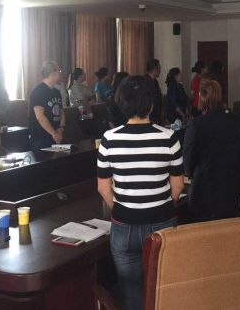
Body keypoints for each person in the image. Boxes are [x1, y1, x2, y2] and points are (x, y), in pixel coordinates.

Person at [97, 76, 184, 310]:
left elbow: (103, 187)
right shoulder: (169, 137)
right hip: (162, 222)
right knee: (162, 286)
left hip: (124, 225)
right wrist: (164, 204)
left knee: (130, 291)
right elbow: (178, 185)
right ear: (152, 105)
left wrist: (121, 209)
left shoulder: (109, 139)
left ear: (122, 103)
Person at [183, 79, 240, 222]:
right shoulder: (237, 120)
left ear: (201, 96)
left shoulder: (196, 124)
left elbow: (188, 161)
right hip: (234, 186)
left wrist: (191, 173)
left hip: (205, 191)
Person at [28, 61, 65, 152]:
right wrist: (53, 133)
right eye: (59, 71)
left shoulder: (57, 91)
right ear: (52, 74)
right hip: (41, 138)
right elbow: (40, 116)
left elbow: (61, 112)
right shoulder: (38, 92)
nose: (60, 73)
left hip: (56, 136)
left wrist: (61, 128)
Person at [145, 58, 163, 124]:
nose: (160, 70)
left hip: (156, 115)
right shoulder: (145, 82)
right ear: (154, 69)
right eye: (159, 68)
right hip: (149, 117)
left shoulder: (155, 81)